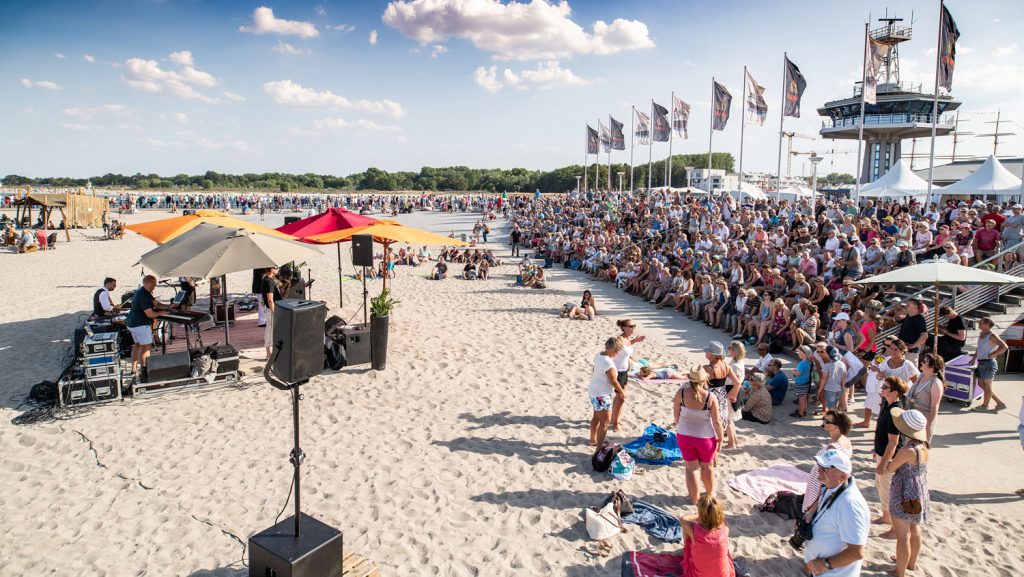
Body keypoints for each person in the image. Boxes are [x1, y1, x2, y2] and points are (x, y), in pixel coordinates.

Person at [802, 449, 870, 577]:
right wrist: (810, 514)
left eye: (826, 469)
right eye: (820, 466)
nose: (819, 470)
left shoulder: (850, 505)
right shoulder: (833, 486)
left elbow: (856, 552)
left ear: (843, 476)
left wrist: (825, 564)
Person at [886, 408, 932, 577]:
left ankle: (899, 571)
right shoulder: (924, 447)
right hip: (919, 489)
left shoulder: (908, 450)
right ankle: (911, 563)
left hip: (904, 490)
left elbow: (891, 468)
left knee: (902, 535)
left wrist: (887, 462)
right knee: (915, 529)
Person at [673, 365, 725, 505]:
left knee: (691, 469)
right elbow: (717, 421)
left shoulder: (681, 393)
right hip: (705, 438)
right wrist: (720, 438)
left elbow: (676, 414)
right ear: (704, 380)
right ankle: (709, 495)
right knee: (707, 467)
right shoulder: (710, 397)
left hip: (684, 435)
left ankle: (695, 500)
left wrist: (680, 425)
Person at [873, 376, 909, 539]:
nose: (882, 389)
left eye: (885, 387)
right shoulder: (888, 405)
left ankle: (895, 528)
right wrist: (876, 450)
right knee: (881, 486)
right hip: (882, 452)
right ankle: (886, 516)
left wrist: (885, 462)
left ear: (895, 392)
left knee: (888, 490)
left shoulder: (895, 410)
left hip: (890, 456)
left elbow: (894, 442)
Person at [802, 410, 854, 515]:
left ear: (836, 426)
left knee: (811, 507)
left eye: (827, 421)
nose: (824, 422)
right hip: (828, 478)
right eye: (824, 419)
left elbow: (830, 470)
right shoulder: (845, 440)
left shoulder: (833, 447)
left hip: (821, 480)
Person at [679, 494, 735, 577]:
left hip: (698, 575)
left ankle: (687, 551)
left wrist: (697, 515)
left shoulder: (695, 530)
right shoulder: (725, 528)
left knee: (686, 529)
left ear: (701, 514)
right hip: (723, 575)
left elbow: (683, 519)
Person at [126, 275, 168, 375]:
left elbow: (156, 304)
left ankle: (134, 368)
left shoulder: (142, 291)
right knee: (146, 348)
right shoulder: (143, 295)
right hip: (140, 324)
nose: (155, 286)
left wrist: (169, 306)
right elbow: (150, 314)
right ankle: (145, 371)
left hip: (132, 323)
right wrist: (161, 313)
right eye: (154, 283)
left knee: (137, 345)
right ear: (148, 282)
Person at [588, 337, 624, 448]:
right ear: (611, 349)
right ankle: (599, 448)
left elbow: (594, 370)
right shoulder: (609, 363)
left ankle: (592, 439)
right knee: (605, 422)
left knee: (596, 417)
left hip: (593, 391)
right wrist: (622, 392)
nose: (617, 353)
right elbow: (613, 381)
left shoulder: (599, 355)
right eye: (617, 350)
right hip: (601, 395)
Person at [612, 319, 645, 431]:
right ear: (624, 328)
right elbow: (611, 352)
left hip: (624, 371)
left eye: (634, 326)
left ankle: (616, 418)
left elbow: (627, 346)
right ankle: (615, 423)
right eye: (631, 326)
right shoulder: (619, 339)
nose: (633, 328)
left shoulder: (627, 338)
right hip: (617, 371)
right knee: (621, 397)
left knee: (621, 397)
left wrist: (635, 340)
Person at [973, 316, 1009, 412]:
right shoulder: (982, 334)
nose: (979, 324)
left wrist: (993, 354)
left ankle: (985, 406)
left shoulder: (992, 335)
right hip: (982, 363)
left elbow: (1004, 346)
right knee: (981, 384)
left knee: (987, 386)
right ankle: (1000, 403)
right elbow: (979, 347)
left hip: (988, 364)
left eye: (981, 322)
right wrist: (974, 357)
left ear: (986, 325)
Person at [907, 354, 944, 441]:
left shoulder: (936, 383)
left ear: (932, 367)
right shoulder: (922, 375)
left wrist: (929, 426)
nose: (921, 362)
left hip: (923, 419)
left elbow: (934, 407)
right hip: (912, 414)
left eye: (924, 362)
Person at [896, 299, 928, 364]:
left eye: (908, 305)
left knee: (912, 372)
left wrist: (913, 346)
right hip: (902, 349)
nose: (906, 306)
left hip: (911, 352)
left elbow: (925, 335)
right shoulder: (908, 316)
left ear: (915, 307)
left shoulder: (919, 319)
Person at [262, 267, 282, 361]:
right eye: (276, 268)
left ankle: (269, 354)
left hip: (268, 309)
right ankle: (270, 355)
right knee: (272, 332)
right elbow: (270, 300)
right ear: (271, 269)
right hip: (272, 309)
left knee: (269, 330)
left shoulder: (265, 278)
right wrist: (275, 313)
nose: (278, 269)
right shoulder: (269, 281)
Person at [791, 345, 815, 418]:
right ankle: (804, 410)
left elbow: (798, 373)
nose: (798, 353)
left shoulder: (803, 363)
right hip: (806, 382)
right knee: (804, 398)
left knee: (801, 399)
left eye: (799, 352)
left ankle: (800, 413)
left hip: (801, 383)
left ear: (804, 354)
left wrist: (793, 371)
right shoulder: (809, 362)